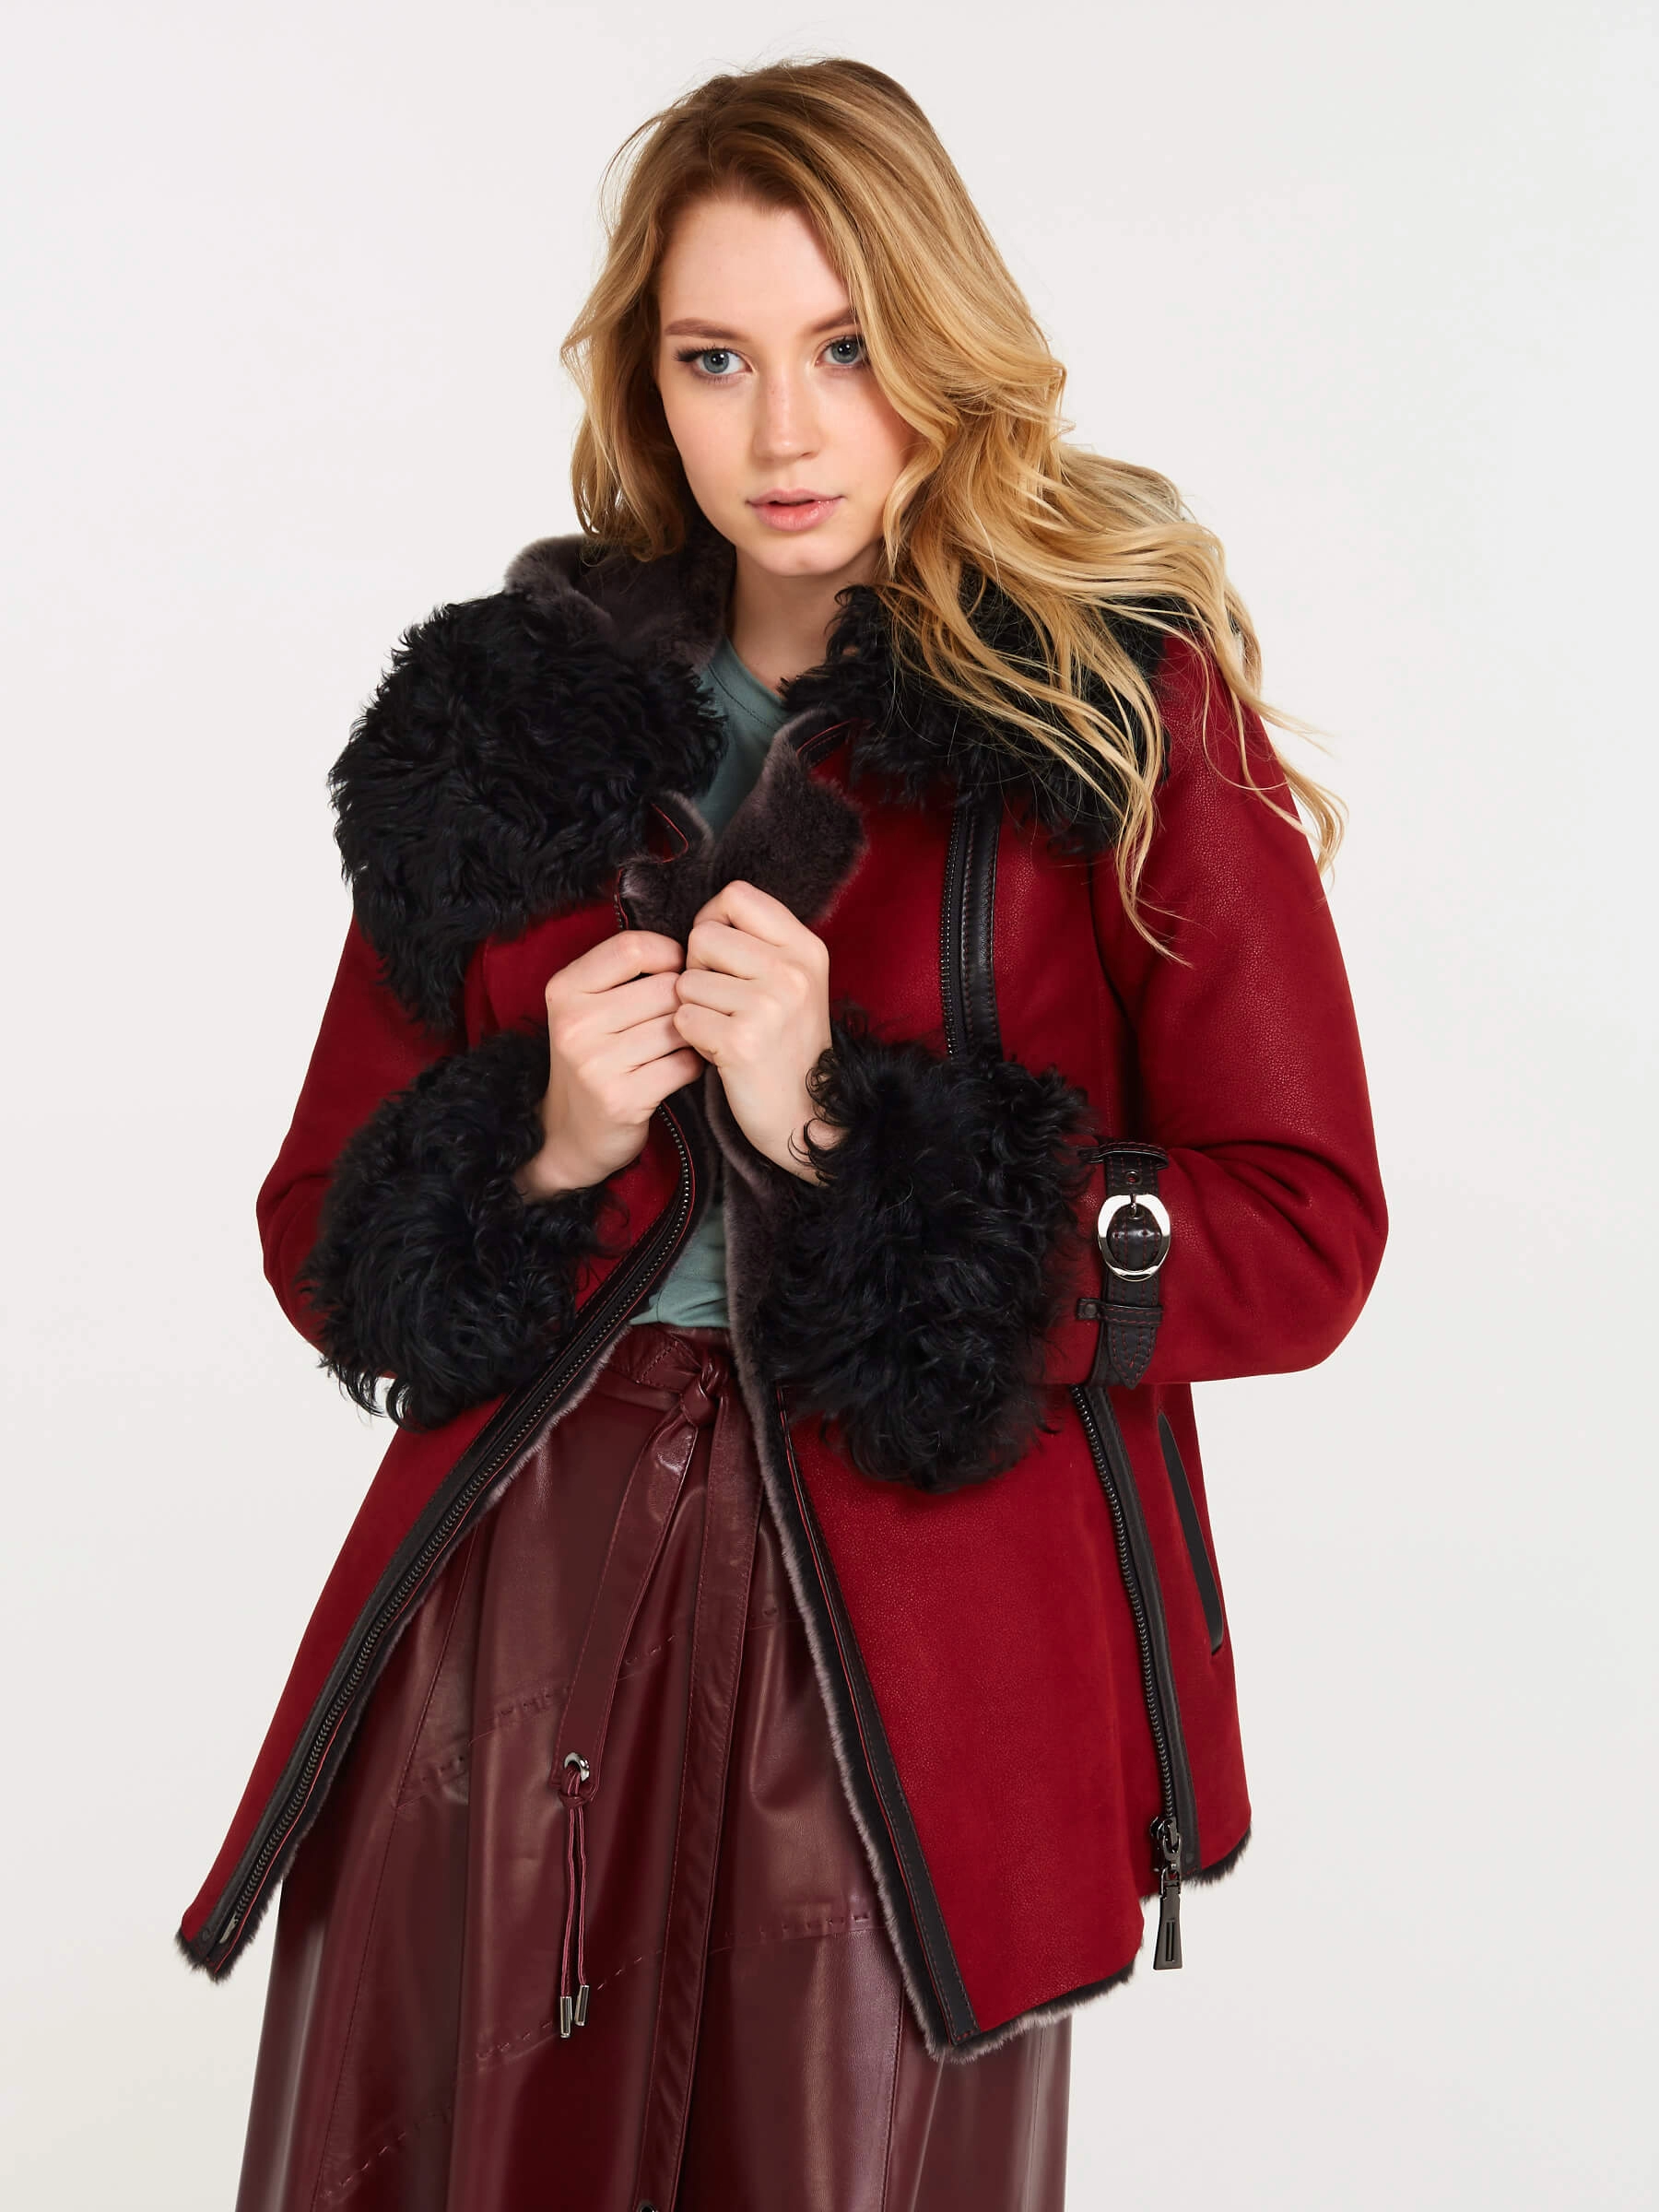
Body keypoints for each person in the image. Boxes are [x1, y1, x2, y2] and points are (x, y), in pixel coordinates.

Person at [179, 55, 1387, 2212]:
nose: (785, 431)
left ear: (941, 347)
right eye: (715, 358)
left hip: (915, 1654)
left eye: (845, 348)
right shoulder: (506, 724)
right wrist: (545, 1139)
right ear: (648, 384)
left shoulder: (1111, 714)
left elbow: (1302, 1234)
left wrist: (848, 1138)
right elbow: (320, 1226)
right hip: (514, 1612)